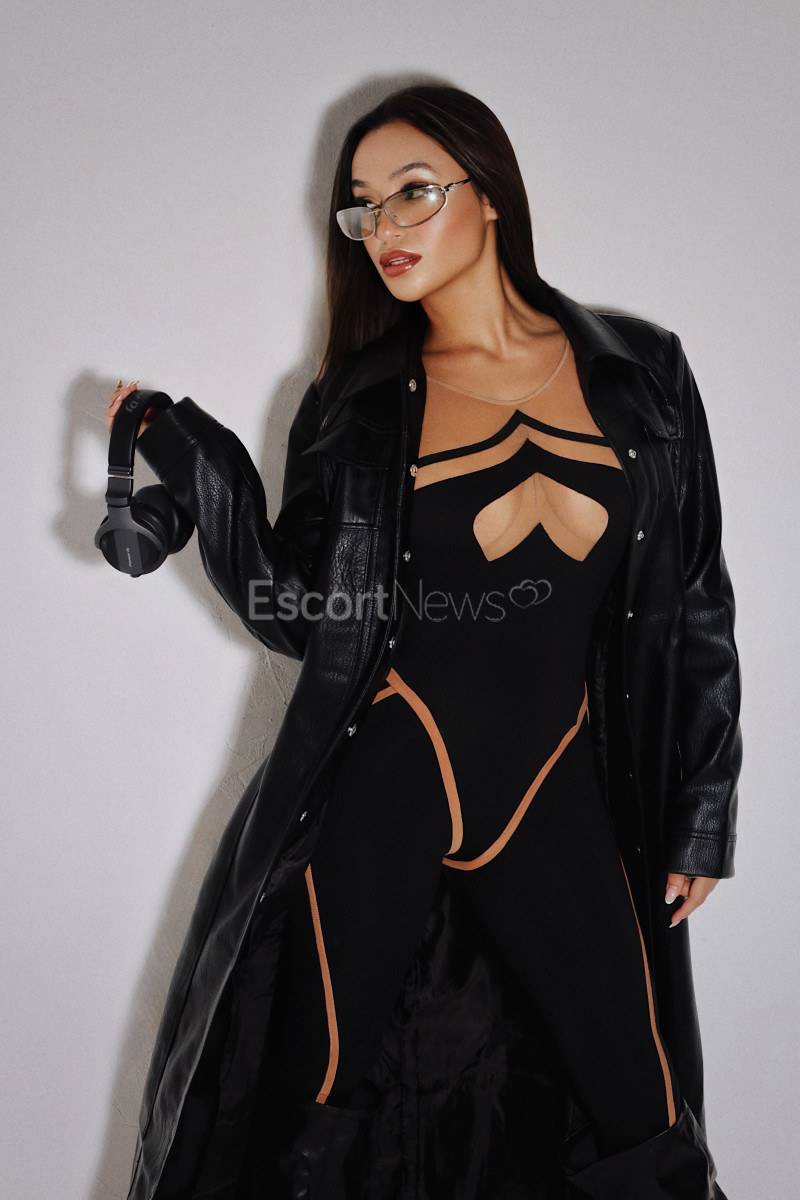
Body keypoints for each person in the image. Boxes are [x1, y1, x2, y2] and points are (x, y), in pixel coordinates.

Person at [109, 85, 741, 1200]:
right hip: (386, 776)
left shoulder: (642, 370)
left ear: (488, 194)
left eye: (412, 193)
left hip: (557, 782)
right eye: (362, 207)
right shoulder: (353, 402)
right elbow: (303, 613)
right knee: (313, 1102)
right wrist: (198, 462)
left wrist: (702, 809)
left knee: (639, 1106)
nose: (383, 229)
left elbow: (695, 600)